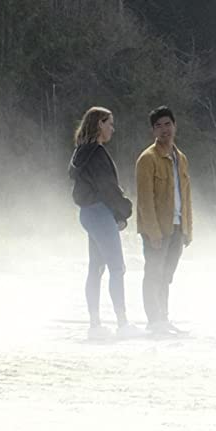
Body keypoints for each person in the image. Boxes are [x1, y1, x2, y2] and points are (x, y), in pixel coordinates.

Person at [69, 106, 140, 340]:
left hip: (88, 213)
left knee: (96, 269)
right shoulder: (97, 153)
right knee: (117, 267)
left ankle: (95, 325)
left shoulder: (80, 152)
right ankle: (122, 323)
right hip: (100, 212)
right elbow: (108, 187)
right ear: (99, 124)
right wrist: (124, 209)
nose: (112, 128)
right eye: (109, 123)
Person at [136, 106, 192, 335]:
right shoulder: (147, 159)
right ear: (153, 131)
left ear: (175, 126)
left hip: (178, 225)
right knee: (154, 273)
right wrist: (153, 231)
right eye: (158, 126)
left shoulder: (181, 158)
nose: (164, 129)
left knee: (166, 275)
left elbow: (186, 195)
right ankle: (154, 320)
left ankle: (163, 318)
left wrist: (188, 228)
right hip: (158, 228)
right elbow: (144, 200)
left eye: (167, 124)